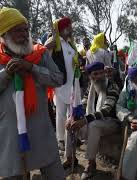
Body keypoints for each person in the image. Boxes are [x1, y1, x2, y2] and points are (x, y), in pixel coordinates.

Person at [0, 7, 65, 179]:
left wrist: (32, 68)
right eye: (17, 30)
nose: (24, 34)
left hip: (41, 131)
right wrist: (7, 73)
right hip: (10, 136)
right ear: (4, 34)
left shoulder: (40, 54)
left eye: (26, 30)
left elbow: (58, 78)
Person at [62, 62, 120, 179]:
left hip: (111, 122)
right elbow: (83, 105)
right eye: (95, 74)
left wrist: (85, 120)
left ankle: (91, 163)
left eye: (100, 73)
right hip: (93, 120)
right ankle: (70, 157)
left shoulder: (112, 86)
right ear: (90, 76)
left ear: (104, 73)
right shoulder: (91, 87)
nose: (98, 76)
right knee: (70, 122)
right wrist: (73, 117)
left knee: (93, 125)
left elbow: (106, 110)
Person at [45, 16, 81, 150]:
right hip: (60, 83)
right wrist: (45, 47)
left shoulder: (70, 43)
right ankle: (60, 139)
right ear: (62, 28)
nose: (71, 29)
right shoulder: (54, 41)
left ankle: (71, 139)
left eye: (70, 26)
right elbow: (44, 56)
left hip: (72, 82)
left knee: (72, 112)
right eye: (68, 26)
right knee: (60, 113)